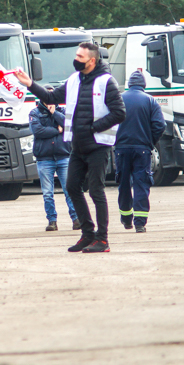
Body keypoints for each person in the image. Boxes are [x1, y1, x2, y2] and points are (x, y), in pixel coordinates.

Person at [15, 42, 125, 253]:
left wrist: (93, 127)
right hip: (77, 146)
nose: (76, 60)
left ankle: (102, 240)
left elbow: (120, 112)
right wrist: (29, 83)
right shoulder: (73, 80)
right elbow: (50, 97)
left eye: (80, 57)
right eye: (76, 55)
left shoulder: (106, 82)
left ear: (92, 61)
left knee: (96, 191)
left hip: (98, 145)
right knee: (72, 187)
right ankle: (87, 234)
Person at [114, 71, 165, 233]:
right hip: (142, 149)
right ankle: (140, 223)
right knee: (141, 184)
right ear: (144, 85)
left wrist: (116, 140)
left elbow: (109, 121)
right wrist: (150, 141)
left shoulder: (119, 99)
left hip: (121, 149)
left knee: (123, 183)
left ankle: (126, 219)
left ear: (129, 84)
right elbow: (160, 125)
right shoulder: (150, 100)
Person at [29, 85, 79, 231]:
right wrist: (57, 130)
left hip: (64, 156)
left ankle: (76, 219)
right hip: (44, 159)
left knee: (69, 190)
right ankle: (52, 221)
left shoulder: (63, 111)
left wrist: (55, 113)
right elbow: (38, 131)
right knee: (47, 193)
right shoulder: (35, 112)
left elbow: (69, 125)